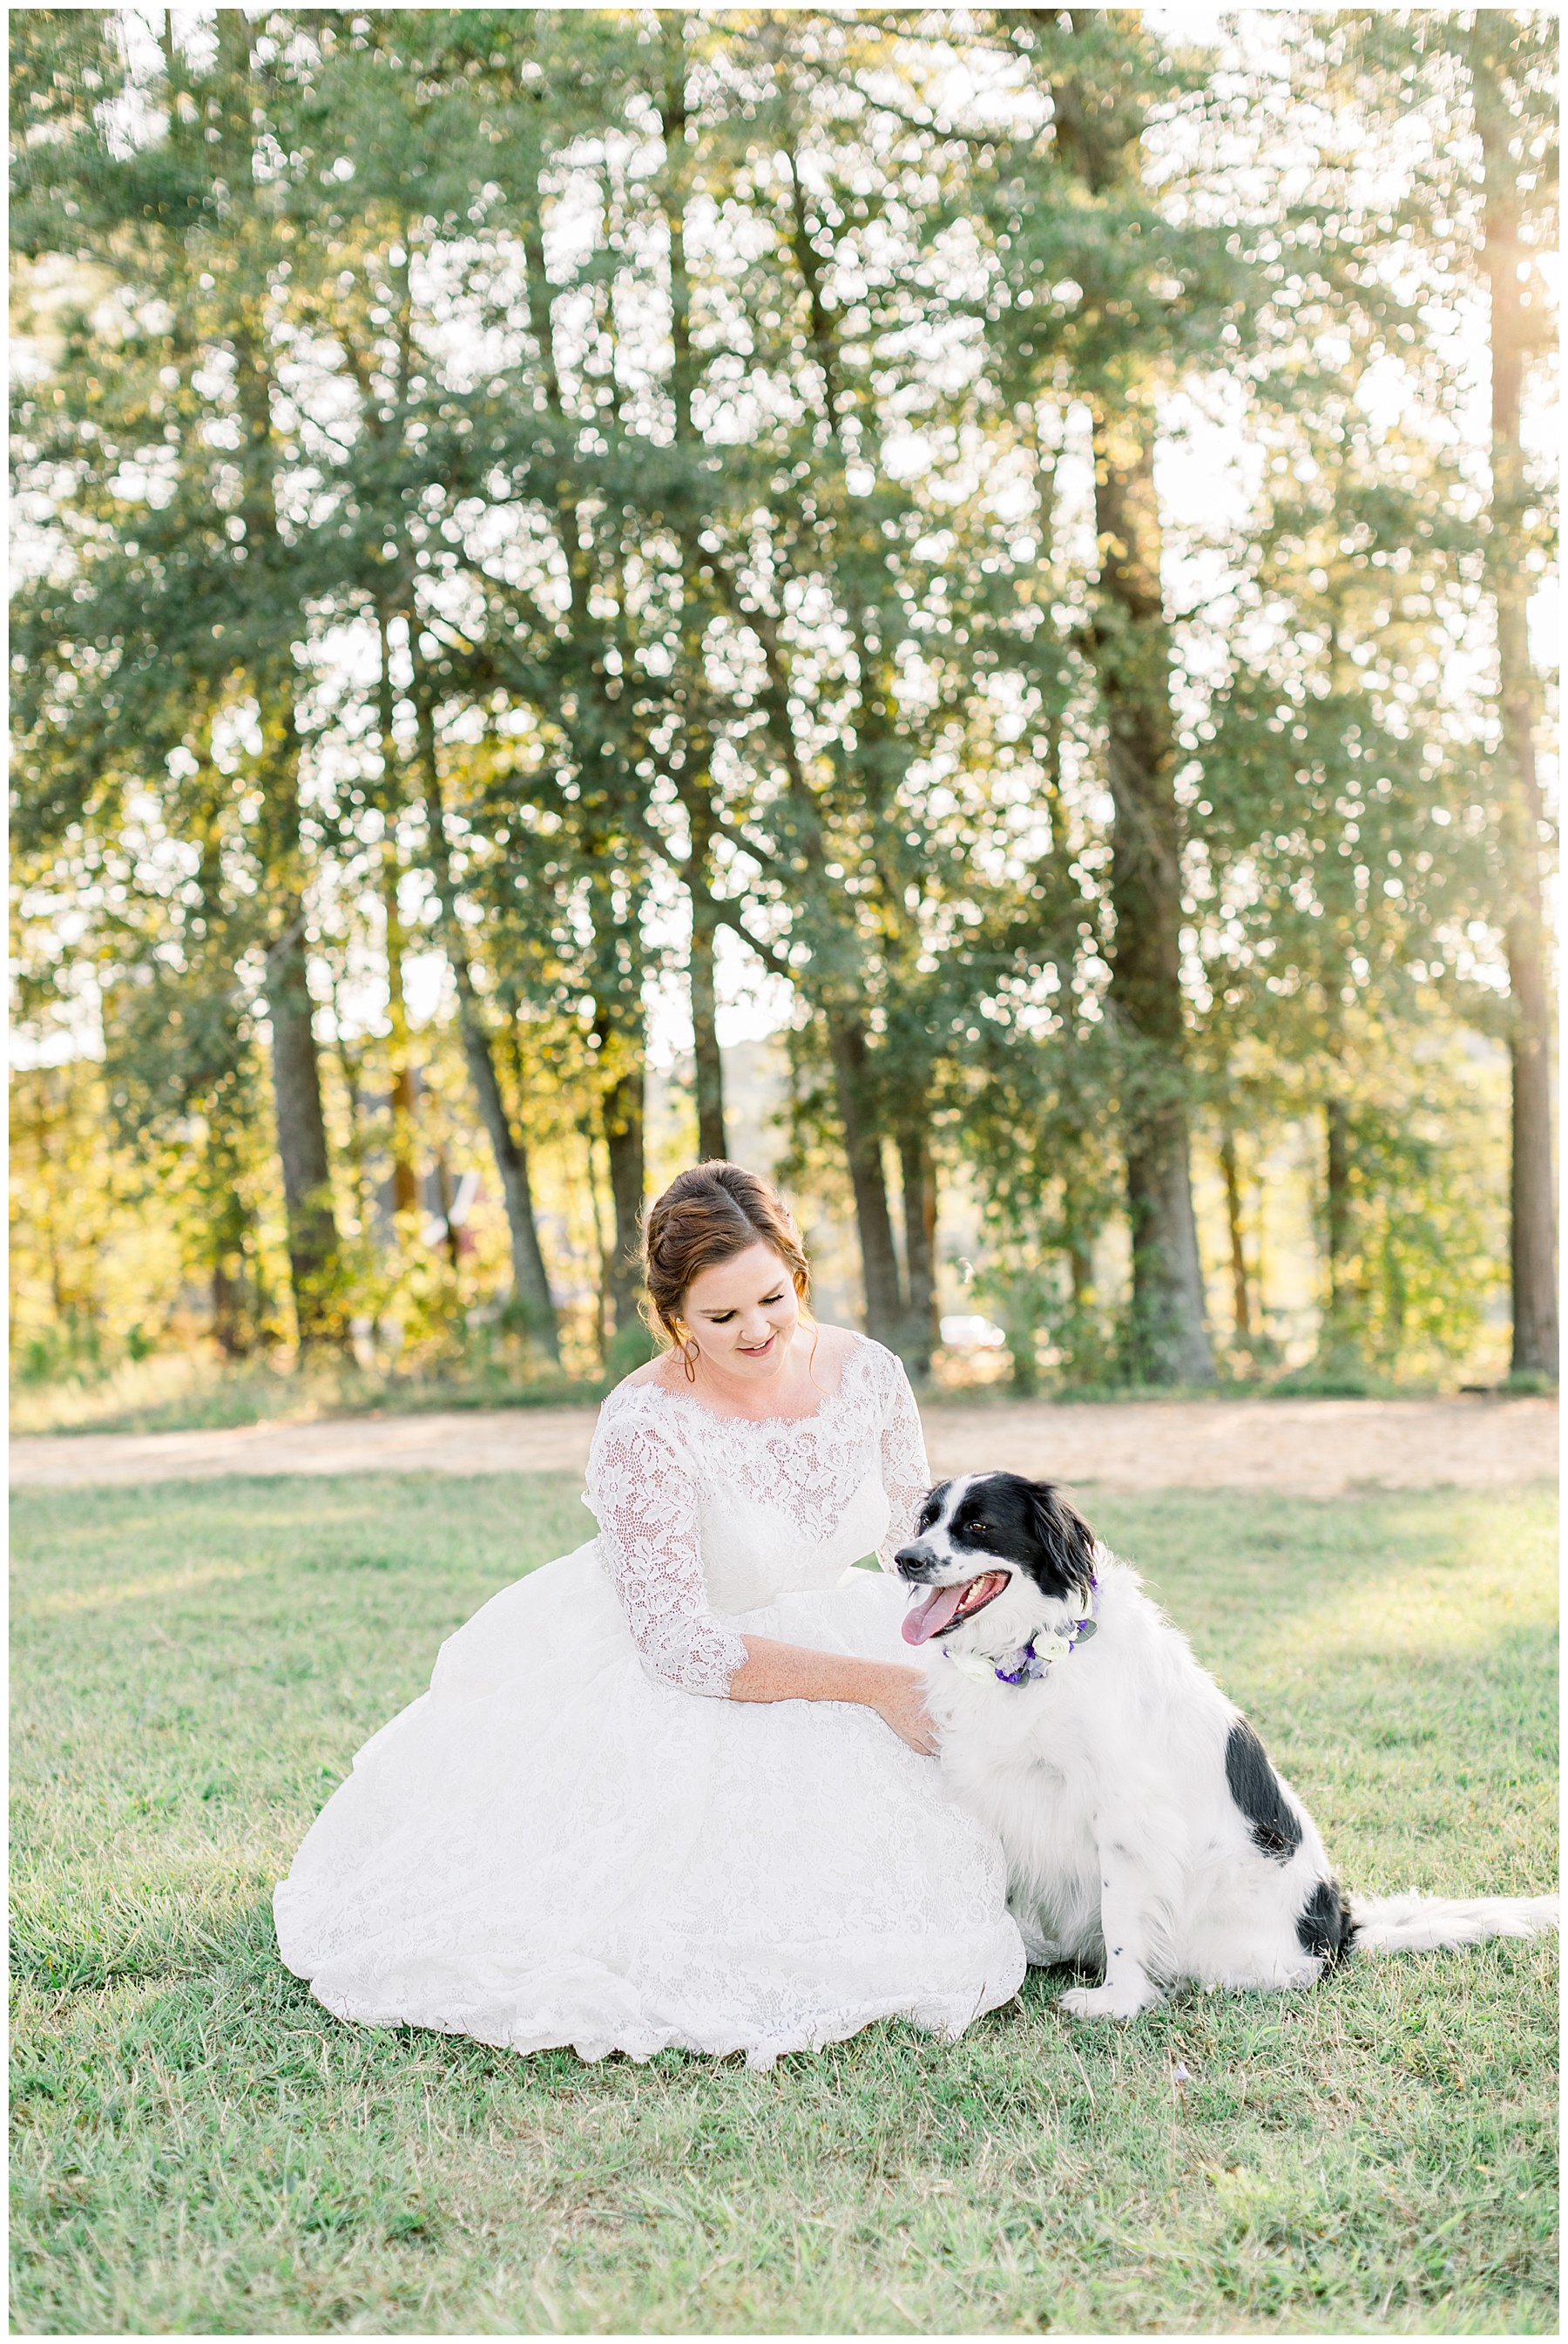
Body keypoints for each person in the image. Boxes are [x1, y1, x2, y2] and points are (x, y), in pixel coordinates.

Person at [274, 1162, 1026, 2069]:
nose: (757, 1330)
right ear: (673, 1316)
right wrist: (876, 1687)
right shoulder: (642, 1422)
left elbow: (915, 1548)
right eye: (721, 1316)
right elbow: (676, 1641)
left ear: (796, 1271)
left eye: (772, 1298)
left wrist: (988, 1635)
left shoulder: (870, 1374)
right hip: (690, 1663)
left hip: (846, 1625)